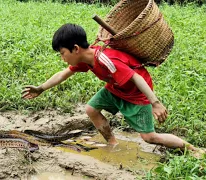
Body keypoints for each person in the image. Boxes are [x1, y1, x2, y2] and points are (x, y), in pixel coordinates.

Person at [22, 23, 204, 155]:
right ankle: (113, 143)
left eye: (62, 53)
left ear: (75, 49)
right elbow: (63, 74)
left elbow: (137, 77)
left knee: (149, 137)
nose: (62, 58)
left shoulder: (106, 59)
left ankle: (193, 149)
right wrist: (41, 88)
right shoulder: (86, 59)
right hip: (116, 89)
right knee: (91, 109)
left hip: (136, 94)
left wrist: (155, 103)